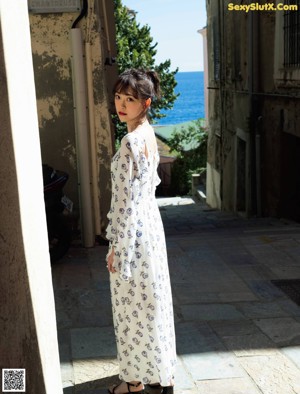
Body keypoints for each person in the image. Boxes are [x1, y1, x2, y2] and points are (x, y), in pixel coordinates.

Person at [106, 68, 177, 394]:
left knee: (130, 309)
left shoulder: (131, 141)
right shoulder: (149, 135)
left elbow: (124, 203)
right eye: (119, 97)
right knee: (152, 304)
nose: (121, 104)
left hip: (134, 233)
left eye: (130, 99)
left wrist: (115, 247)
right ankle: (157, 375)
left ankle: (133, 380)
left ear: (145, 102)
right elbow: (153, 183)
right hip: (150, 228)